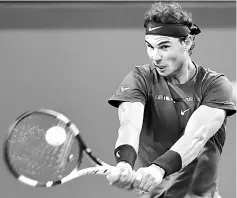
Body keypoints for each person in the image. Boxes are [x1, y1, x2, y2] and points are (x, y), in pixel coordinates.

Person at [106, 1, 236, 198]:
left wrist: (158, 169)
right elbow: (128, 127)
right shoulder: (139, 78)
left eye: (164, 46)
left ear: (187, 42)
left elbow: (196, 137)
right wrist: (124, 162)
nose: (155, 56)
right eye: (150, 46)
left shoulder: (215, 85)